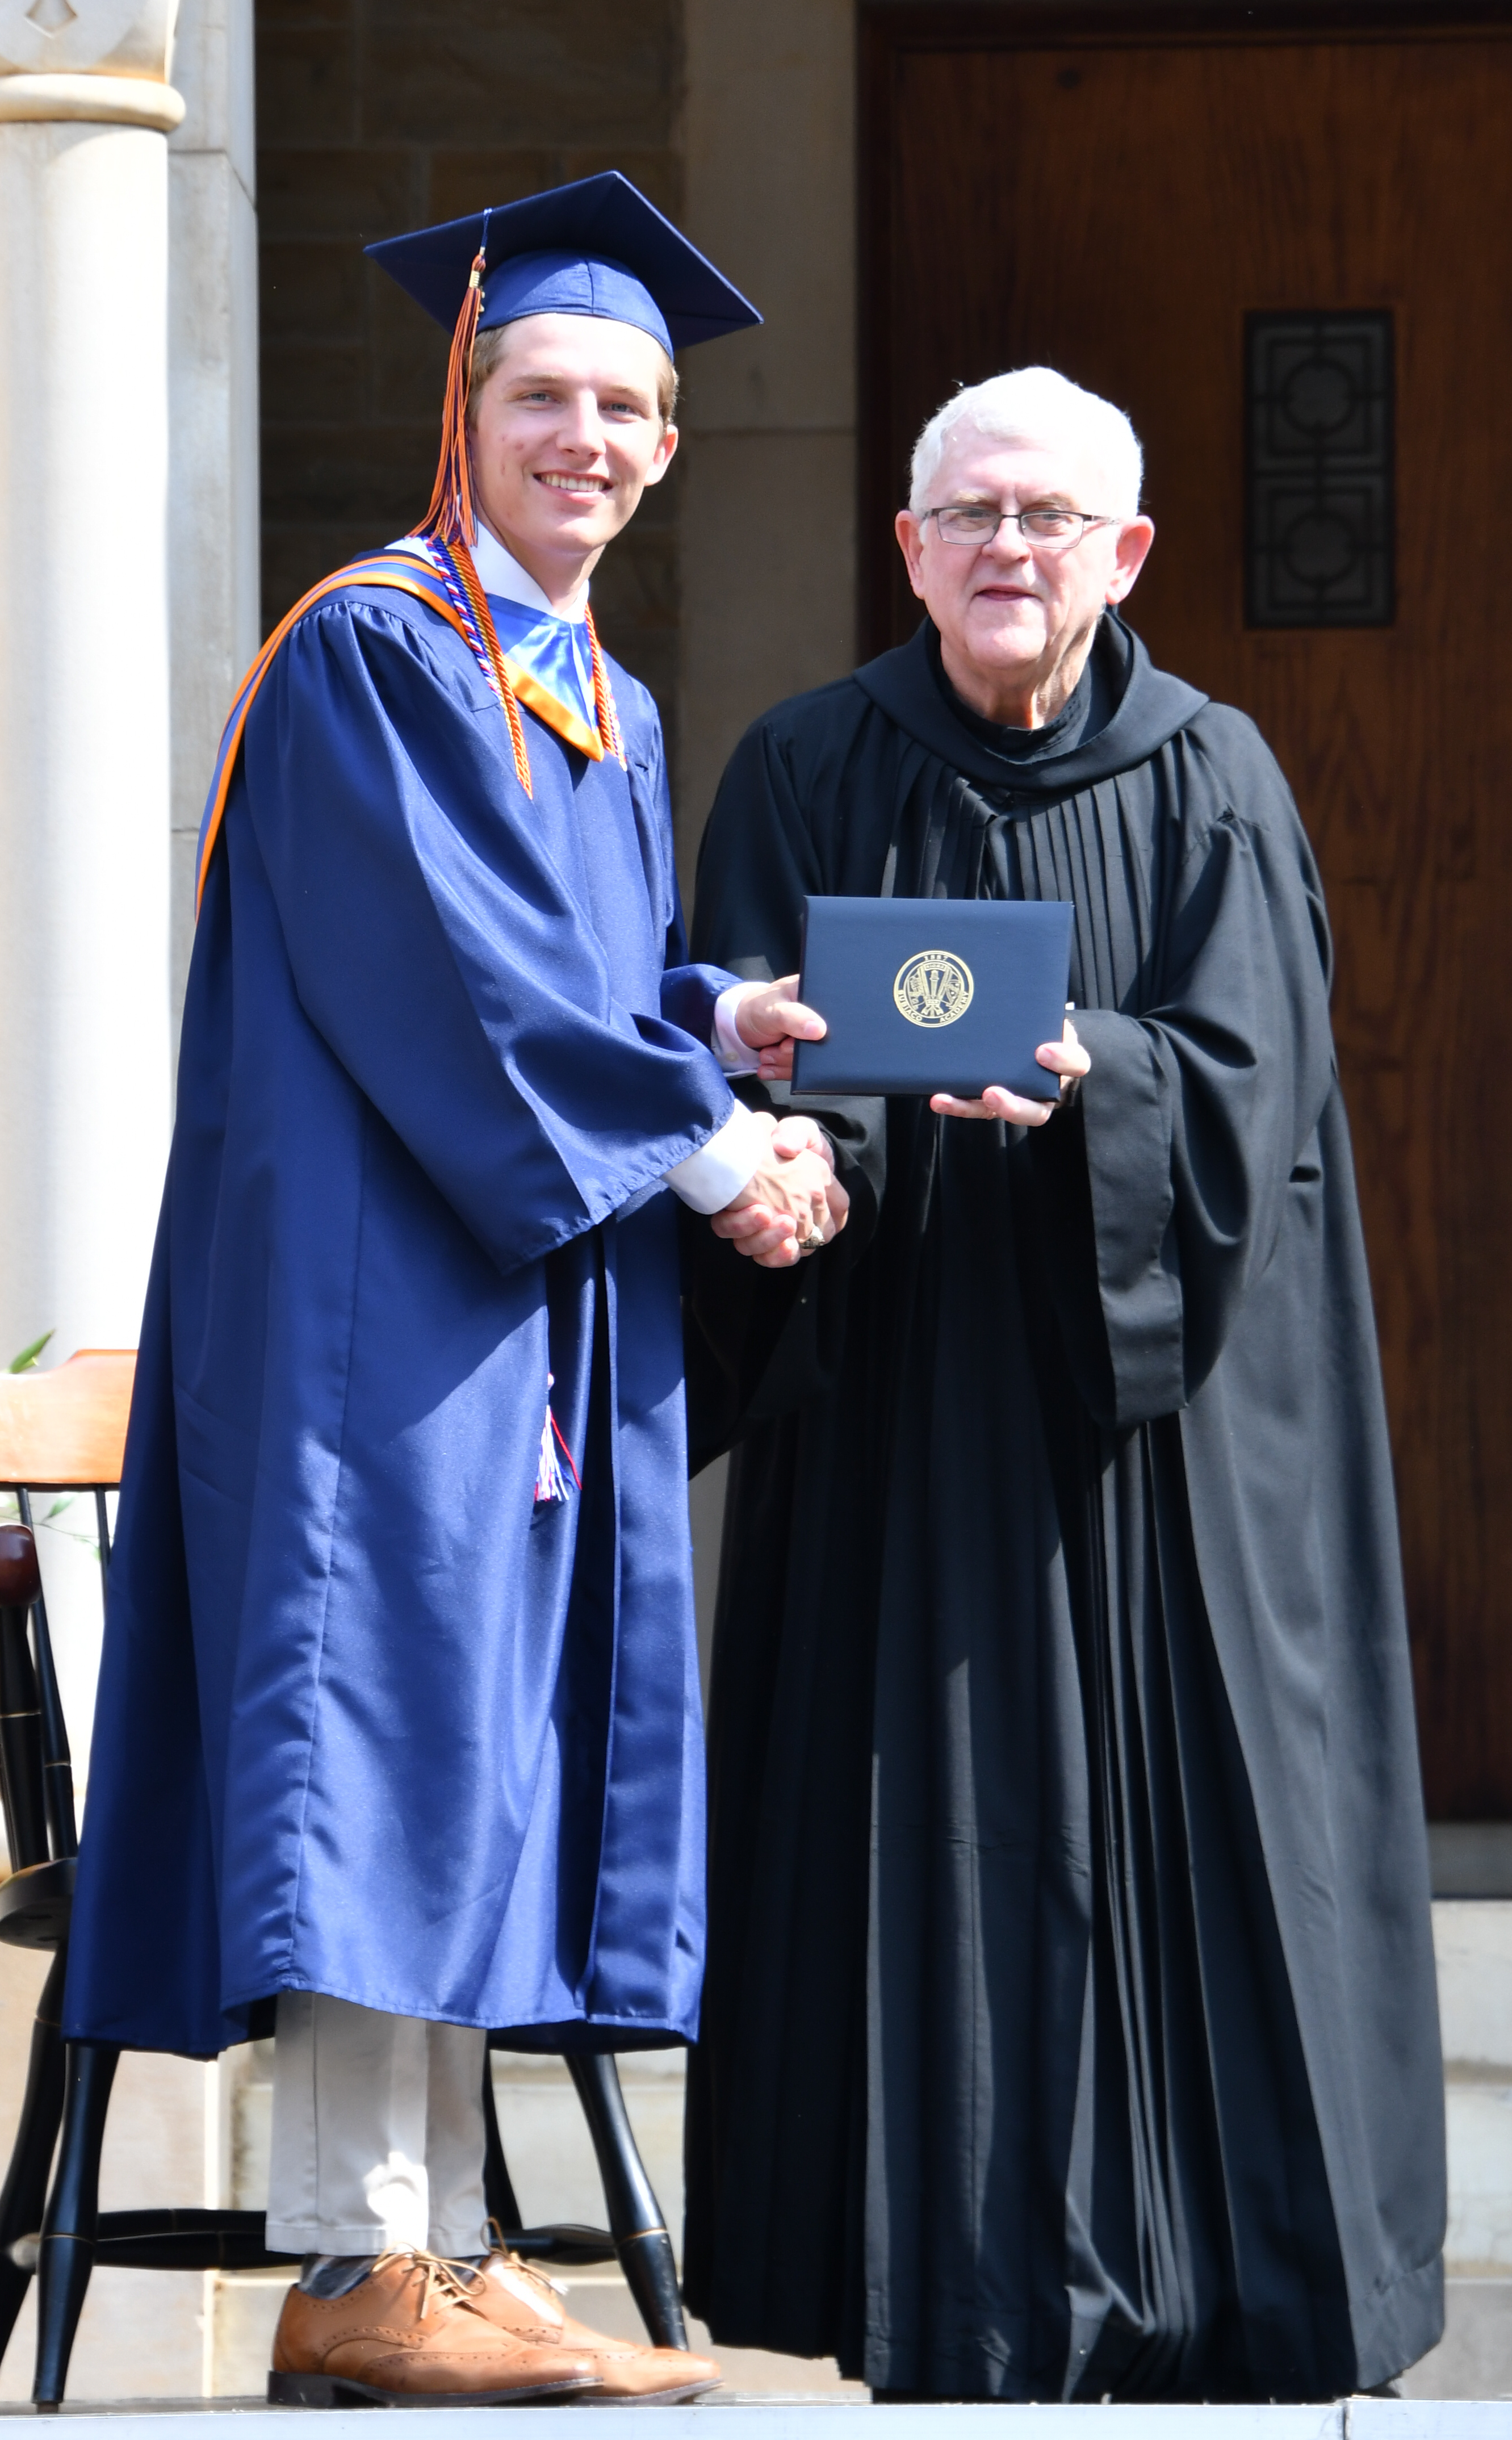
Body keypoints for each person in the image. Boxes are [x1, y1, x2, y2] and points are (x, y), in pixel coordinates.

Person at [61, 173, 841, 2406]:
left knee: (471, 1735)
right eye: (544, 397)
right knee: (377, 1727)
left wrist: (726, 1024)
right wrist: (706, 1147)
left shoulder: (591, 690)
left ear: (672, 444)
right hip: (358, 1306)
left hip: (498, 1295)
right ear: (465, 410)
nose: (584, 434)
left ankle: (447, 2241)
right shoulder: (374, 652)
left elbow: (586, 989)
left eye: (627, 405)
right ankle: (349, 2258)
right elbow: (456, 976)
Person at [681, 365, 1445, 2403]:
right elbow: (728, 1054)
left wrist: (1099, 1075)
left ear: (1126, 556)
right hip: (896, 1429)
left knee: (1188, 1850)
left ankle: (1213, 2299)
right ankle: (936, 2297)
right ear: (908, 546)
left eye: (1050, 519)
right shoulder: (803, 764)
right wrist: (794, 1165)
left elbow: (1258, 1102)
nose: (1008, 549)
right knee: (910, 1869)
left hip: (1156, 1449)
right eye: (971, 515)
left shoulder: (1220, 778)